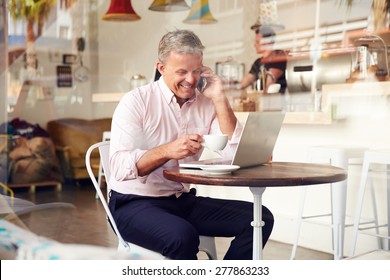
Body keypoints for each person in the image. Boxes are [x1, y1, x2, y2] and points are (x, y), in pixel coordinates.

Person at [108, 29, 274, 260]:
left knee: (260, 218)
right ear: (161, 68)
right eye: (182, 72)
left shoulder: (205, 103)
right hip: (132, 203)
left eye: (196, 71)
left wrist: (219, 98)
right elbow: (117, 167)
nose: (191, 79)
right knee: (182, 236)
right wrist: (168, 150)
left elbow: (234, 154)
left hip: (179, 199)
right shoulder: (136, 101)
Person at [240, 26, 287, 94]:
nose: (254, 45)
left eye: (257, 42)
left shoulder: (278, 57)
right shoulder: (258, 62)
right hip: (262, 100)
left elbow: (269, 87)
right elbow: (245, 82)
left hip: (275, 102)